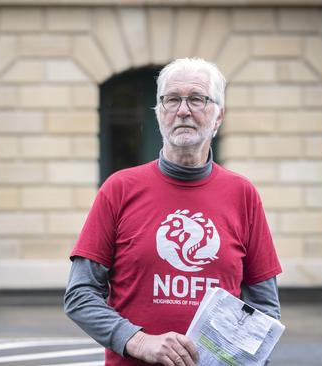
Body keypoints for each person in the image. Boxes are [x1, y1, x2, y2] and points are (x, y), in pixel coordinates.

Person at [64, 58, 282, 366]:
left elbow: (265, 309)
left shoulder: (242, 195)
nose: (183, 110)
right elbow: (80, 295)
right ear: (159, 114)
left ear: (218, 116)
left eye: (196, 99)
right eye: (172, 100)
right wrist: (138, 341)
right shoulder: (120, 189)